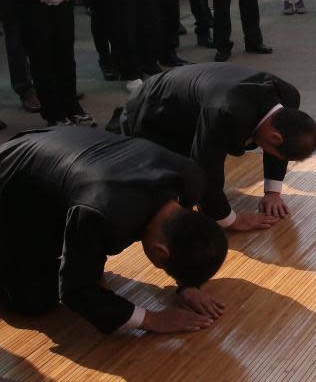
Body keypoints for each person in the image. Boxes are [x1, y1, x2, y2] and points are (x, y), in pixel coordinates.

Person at [0, 127, 228, 334]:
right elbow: (75, 291)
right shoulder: (100, 210)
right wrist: (152, 320)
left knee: (79, 258)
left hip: (52, 150)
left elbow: (188, 233)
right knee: (34, 300)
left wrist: (188, 285)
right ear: (161, 252)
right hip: (9, 185)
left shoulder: (190, 177)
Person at [117, 63, 316, 229]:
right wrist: (231, 219)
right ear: (274, 138)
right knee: (171, 198)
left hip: (192, 105)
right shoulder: (225, 113)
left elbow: (284, 140)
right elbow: (204, 169)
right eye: (277, 152)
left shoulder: (287, 97)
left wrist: (272, 192)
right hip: (153, 112)